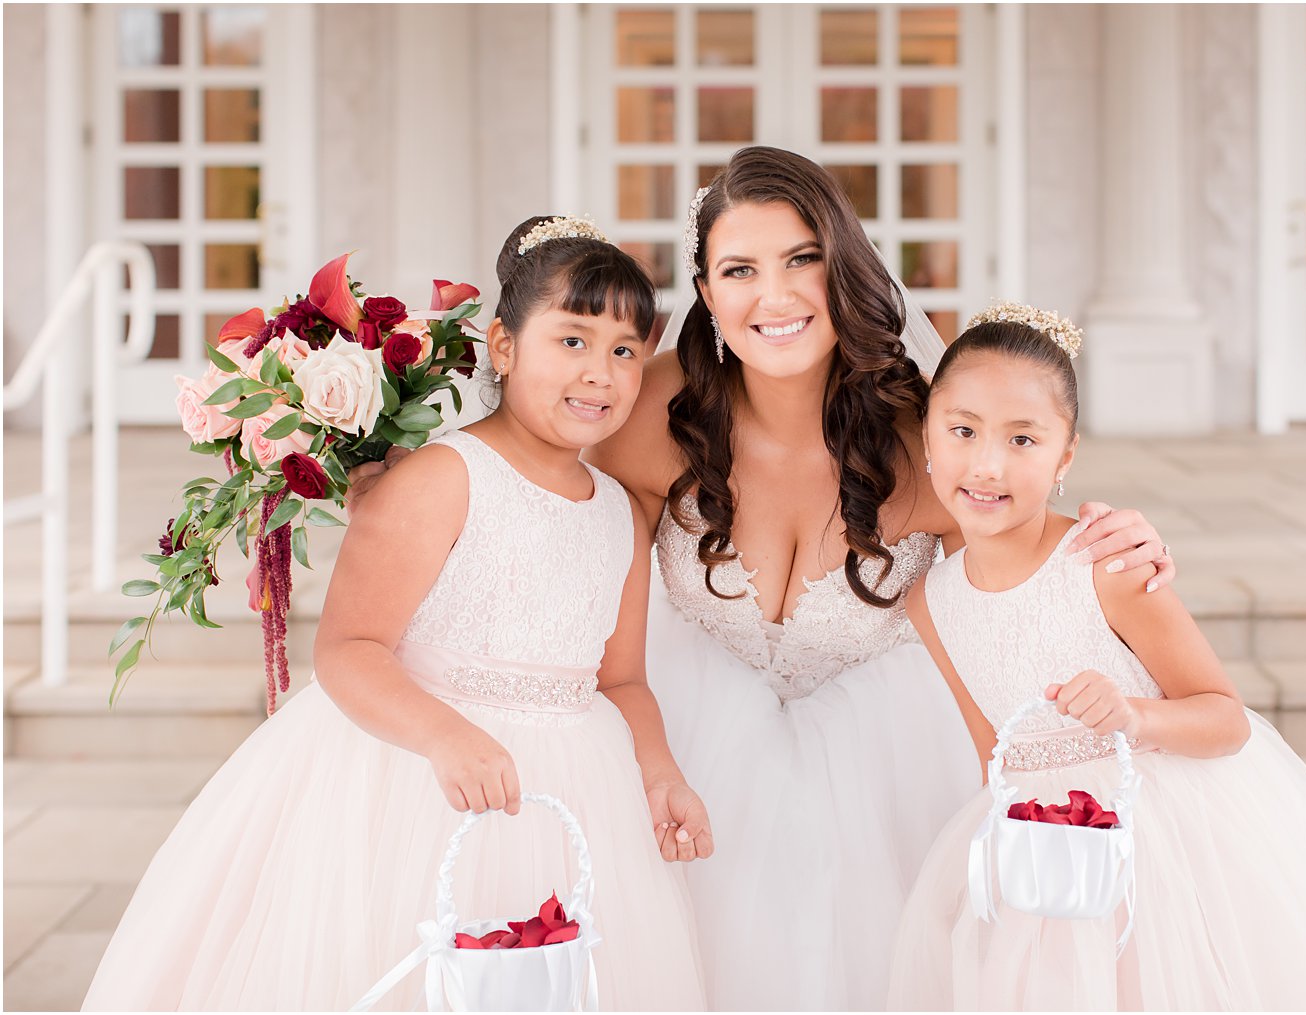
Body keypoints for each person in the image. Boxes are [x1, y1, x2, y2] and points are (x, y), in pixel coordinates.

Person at [352, 146, 1173, 1011]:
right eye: (739, 269)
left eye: (801, 260)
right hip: (690, 737)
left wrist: (1122, 543)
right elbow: (520, 449)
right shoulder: (640, 409)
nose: (772, 297)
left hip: (891, 751)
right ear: (706, 293)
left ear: (844, 269)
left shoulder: (930, 438)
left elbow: (1024, 551)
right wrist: (389, 471)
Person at [83, 216, 708, 1011]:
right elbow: (349, 648)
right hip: (412, 778)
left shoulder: (621, 511)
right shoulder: (443, 477)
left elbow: (621, 679)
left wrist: (659, 774)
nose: (601, 373)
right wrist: (444, 735)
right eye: (573, 340)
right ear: (505, 347)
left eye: (625, 350)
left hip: (573, 800)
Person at [887, 304, 1306, 1010]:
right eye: (963, 430)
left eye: (1023, 439)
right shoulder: (930, 599)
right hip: (1053, 856)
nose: (987, 462)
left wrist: (1131, 714)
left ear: (1065, 456)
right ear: (927, 436)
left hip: (1170, 844)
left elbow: (1226, 718)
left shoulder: (1105, 564)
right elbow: (994, 758)